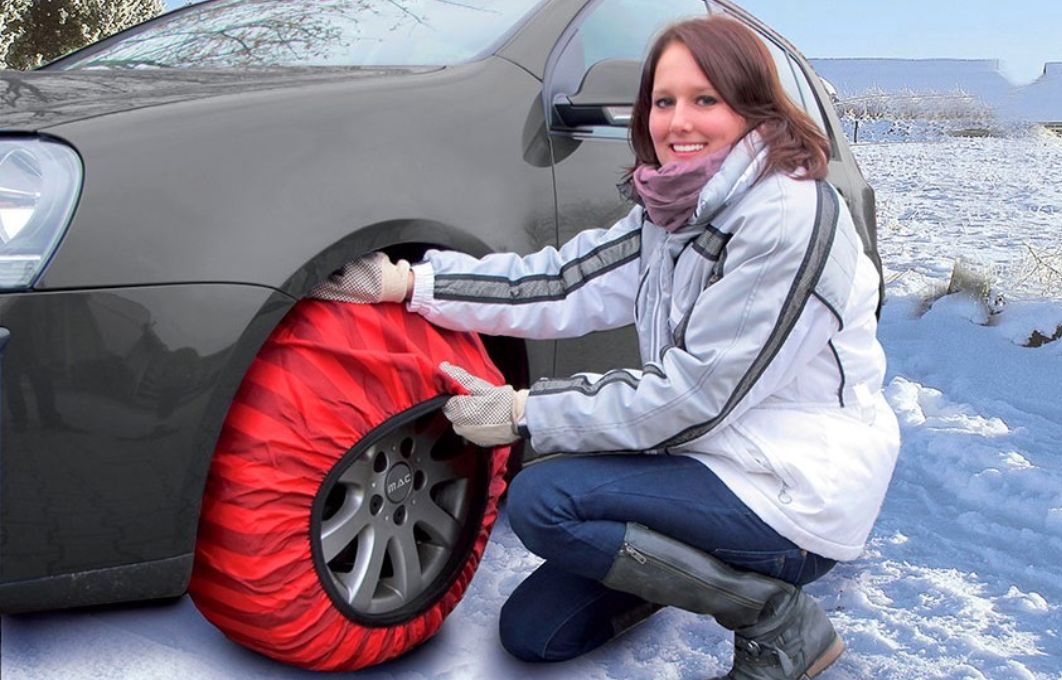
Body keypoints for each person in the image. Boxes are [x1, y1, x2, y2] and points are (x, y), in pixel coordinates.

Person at [310, 15, 899, 680]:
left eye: (706, 100)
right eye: (663, 100)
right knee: (535, 634)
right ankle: (686, 570)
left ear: (751, 104)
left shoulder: (785, 219)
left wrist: (524, 412)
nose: (678, 122)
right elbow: (558, 283)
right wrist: (409, 281)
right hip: (702, 462)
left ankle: (775, 617)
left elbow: (696, 398)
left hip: (790, 491)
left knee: (543, 499)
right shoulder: (674, 210)